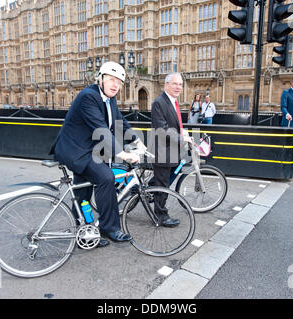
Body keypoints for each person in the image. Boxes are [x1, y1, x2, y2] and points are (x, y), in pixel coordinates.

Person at [50, 61, 146, 247]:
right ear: (100, 79)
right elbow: (101, 129)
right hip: (75, 150)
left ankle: (84, 233)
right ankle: (110, 228)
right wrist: (122, 154)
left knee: (83, 192)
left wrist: (137, 141)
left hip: (86, 150)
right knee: (106, 178)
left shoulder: (109, 99)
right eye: (111, 80)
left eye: (118, 82)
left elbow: (120, 121)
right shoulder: (89, 96)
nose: (115, 85)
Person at [151, 72, 192, 227]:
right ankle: (160, 216)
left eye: (181, 84)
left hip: (172, 150)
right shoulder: (159, 102)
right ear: (166, 84)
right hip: (163, 151)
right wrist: (182, 139)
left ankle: (151, 192)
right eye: (175, 83)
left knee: (163, 181)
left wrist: (183, 133)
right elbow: (162, 129)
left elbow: (173, 125)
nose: (178, 87)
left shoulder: (173, 102)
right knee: (162, 185)